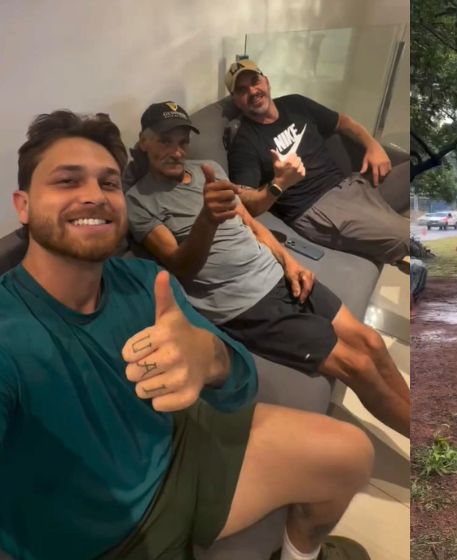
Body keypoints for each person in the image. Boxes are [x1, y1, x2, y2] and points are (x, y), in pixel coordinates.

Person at [1, 110, 374, 560]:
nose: (93, 197)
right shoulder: (11, 331)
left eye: (108, 183)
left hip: (176, 445)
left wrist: (210, 355)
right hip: (117, 530)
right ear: (23, 205)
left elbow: (240, 382)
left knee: (350, 453)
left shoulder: (141, 281)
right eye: (67, 182)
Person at [126, 102, 410, 437]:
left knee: (372, 342)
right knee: (357, 364)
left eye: (181, 141)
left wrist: (290, 263)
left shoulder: (209, 167)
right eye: (164, 141)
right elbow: (181, 265)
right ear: (143, 141)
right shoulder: (139, 200)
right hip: (243, 304)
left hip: (276, 272)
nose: (175, 151)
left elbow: (252, 225)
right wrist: (207, 218)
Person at [224, 59, 409, 265]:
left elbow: (342, 122)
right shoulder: (244, 142)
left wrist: (373, 145)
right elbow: (244, 201)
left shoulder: (295, 104)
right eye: (242, 90)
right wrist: (279, 184)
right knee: (407, 237)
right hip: (318, 208)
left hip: (350, 185)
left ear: (266, 81)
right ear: (236, 100)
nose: (252, 91)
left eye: (255, 81)